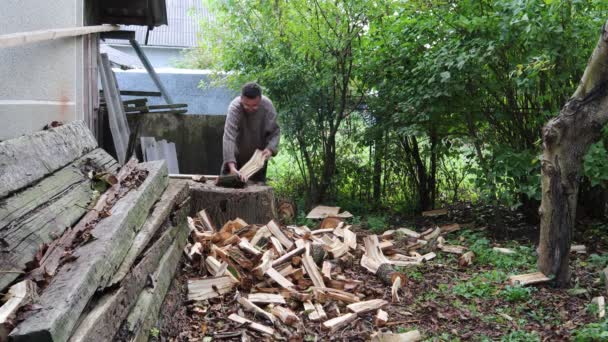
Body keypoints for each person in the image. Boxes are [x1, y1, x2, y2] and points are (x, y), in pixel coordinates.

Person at [221, 82, 280, 182]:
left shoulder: (268, 106)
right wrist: (231, 166)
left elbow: (275, 132)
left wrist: (270, 149)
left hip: (258, 161)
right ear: (241, 98)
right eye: (247, 105)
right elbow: (228, 137)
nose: (251, 108)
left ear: (260, 99)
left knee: (256, 191)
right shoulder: (234, 108)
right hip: (236, 157)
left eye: (255, 105)